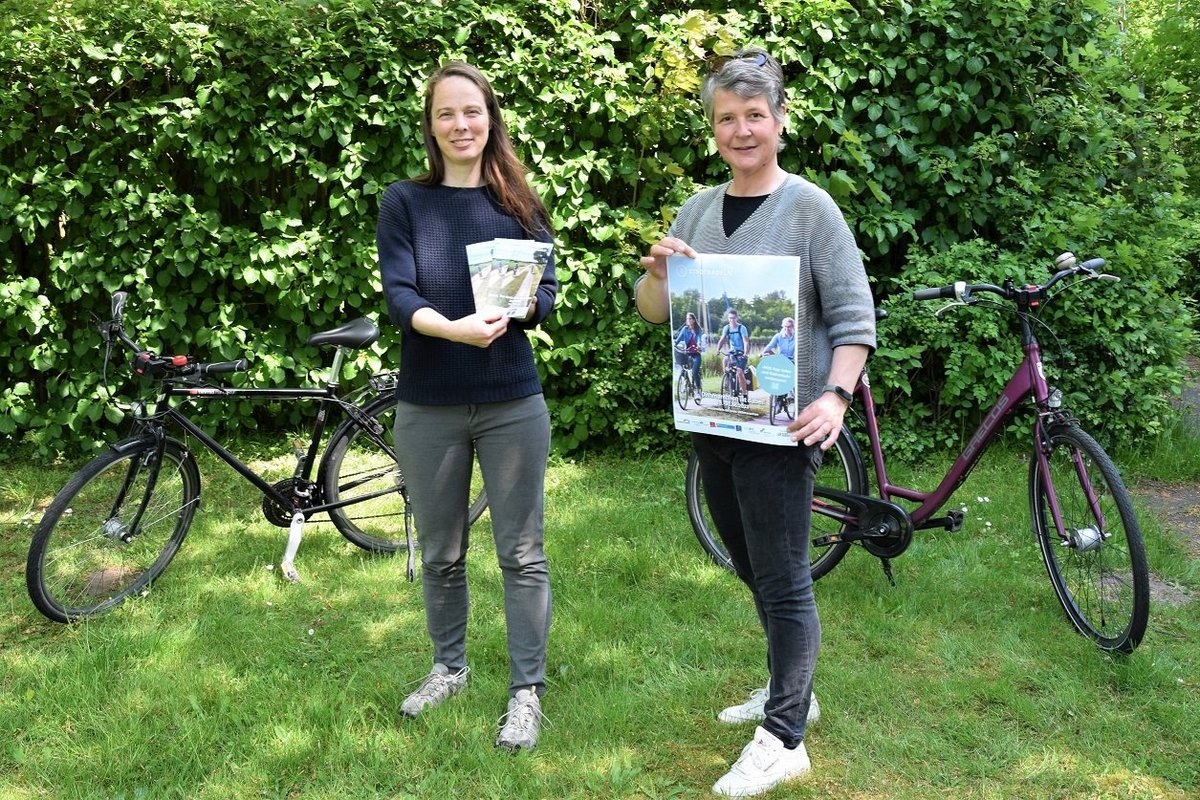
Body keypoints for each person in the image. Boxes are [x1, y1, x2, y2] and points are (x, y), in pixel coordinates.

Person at [634, 47, 875, 797]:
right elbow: (656, 315)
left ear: (779, 122)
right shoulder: (698, 211)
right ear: (713, 128)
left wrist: (834, 397)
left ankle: (785, 737)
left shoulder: (810, 209)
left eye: (753, 117)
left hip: (781, 431)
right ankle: (789, 688)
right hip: (712, 422)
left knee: (785, 579)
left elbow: (853, 318)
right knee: (751, 567)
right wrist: (655, 276)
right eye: (725, 119)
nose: (740, 131)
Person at [376, 60, 557, 752]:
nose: (461, 124)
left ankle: (525, 692)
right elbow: (400, 295)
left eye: (472, 112)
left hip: (512, 399)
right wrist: (451, 329)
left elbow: (547, 293)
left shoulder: (520, 203)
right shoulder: (405, 203)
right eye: (447, 113)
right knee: (443, 552)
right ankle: (449, 666)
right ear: (431, 125)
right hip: (429, 402)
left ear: (491, 120)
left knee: (523, 553)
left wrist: (521, 309)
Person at [762, 317, 797, 415]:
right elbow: (770, 346)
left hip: (792, 360)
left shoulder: (797, 337)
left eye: (789, 327)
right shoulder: (778, 336)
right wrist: (763, 352)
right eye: (785, 326)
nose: (787, 329)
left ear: (793, 327)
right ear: (782, 326)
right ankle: (778, 401)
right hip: (780, 360)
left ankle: (787, 396)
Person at [714, 308, 751, 399]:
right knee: (725, 360)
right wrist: (718, 350)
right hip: (732, 351)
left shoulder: (742, 328)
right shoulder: (726, 328)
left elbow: (746, 342)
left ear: (737, 318)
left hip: (742, 352)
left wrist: (745, 353)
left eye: (733, 318)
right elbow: (722, 340)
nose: (732, 320)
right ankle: (727, 378)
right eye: (730, 318)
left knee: (739, 372)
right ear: (728, 318)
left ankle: (745, 394)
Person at [675, 311, 705, 402]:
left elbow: (699, 339)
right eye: (687, 319)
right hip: (687, 353)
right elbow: (678, 339)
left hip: (696, 354)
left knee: (694, 373)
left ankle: (698, 391)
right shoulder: (685, 329)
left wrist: (699, 346)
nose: (688, 320)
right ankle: (686, 384)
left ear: (694, 320)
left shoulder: (698, 330)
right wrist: (675, 344)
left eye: (690, 319)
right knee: (682, 368)